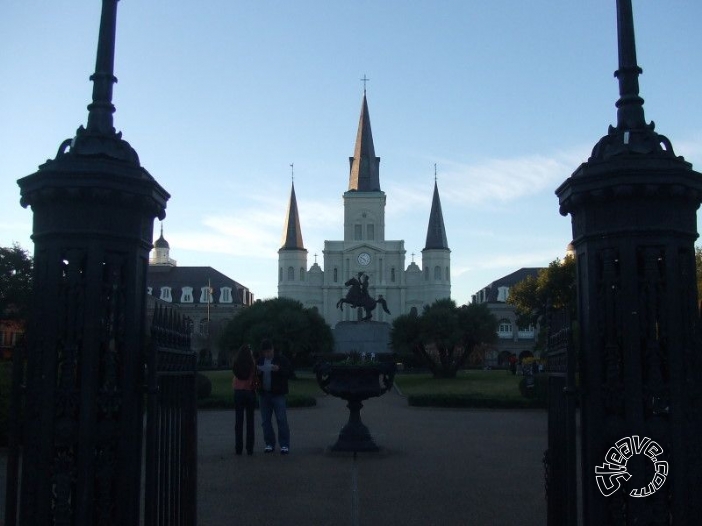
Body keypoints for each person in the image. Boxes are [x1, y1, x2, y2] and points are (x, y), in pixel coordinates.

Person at [256, 338, 292, 454]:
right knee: (265, 421)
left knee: (281, 419)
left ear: (272, 349)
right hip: (264, 394)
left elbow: (289, 372)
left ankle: (284, 444)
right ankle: (269, 443)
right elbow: (255, 376)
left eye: (269, 351)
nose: (267, 354)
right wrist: (258, 373)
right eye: (265, 352)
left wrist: (279, 369)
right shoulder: (260, 361)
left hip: (278, 394)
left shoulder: (281, 359)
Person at [232, 344, 257, 455]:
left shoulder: (236, 363)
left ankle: (238, 447)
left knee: (239, 421)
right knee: (250, 421)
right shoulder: (252, 363)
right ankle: (250, 448)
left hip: (238, 392)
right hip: (249, 391)